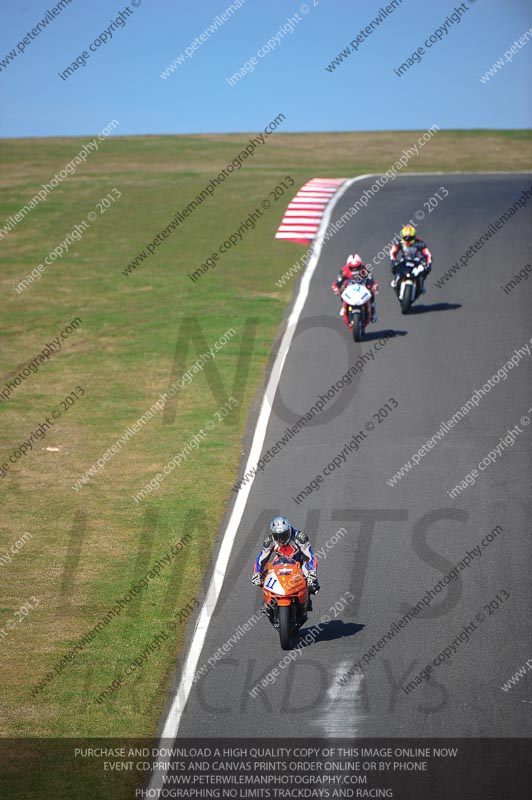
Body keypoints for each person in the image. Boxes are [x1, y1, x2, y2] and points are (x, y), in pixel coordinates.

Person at [252, 516, 319, 611]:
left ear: (289, 530)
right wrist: (256, 573)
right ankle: (268, 601)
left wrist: (312, 573)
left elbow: (310, 556)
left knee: (313, 585)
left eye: (283, 535)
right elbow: (261, 559)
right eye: (277, 536)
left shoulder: (300, 537)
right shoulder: (269, 541)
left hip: (299, 563)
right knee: (264, 577)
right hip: (280, 563)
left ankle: (306, 598)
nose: (281, 539)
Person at [331, 254, 378, 324]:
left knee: (371, 294)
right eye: (352, 268)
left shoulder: (365, 270)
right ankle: (344, 306)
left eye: (357, 267)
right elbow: (337, 283)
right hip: (349, 290)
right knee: (343, 290)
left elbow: (372, 281)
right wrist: (336, 289)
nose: (355, 269)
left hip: (362, 288)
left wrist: (374, 287)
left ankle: (373, 311)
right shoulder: (344, 271)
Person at [390, 225, 432, 293]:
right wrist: (393, 260)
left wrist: (428, 264)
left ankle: (421, 286)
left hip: (418, 261)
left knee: (425, 270)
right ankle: (396, 280)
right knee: (394, 266)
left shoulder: (420, 243)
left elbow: (428, 255)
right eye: (406, 238)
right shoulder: (399, 242)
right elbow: (392, 252)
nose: (408, 240)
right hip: (405, 259)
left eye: (410, 238)